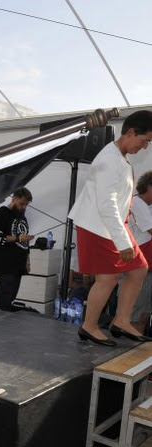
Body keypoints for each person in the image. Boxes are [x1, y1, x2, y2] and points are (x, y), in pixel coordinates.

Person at [69, 110, 152, 346]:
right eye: (144, 141)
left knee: (139, 269)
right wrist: (123, 242)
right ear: (131, 132)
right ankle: (89, 326)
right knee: (108, 278)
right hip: (98, 225)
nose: (145, 147)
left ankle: (122, 321)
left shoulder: (119, 157)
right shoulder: (109, 159)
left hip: (113, 224)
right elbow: (107, 205)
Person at [0, 187, 34, 310]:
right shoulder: (1, 214)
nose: (24, 207)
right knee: (3, 302)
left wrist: (27, 261)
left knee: (11, 300)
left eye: (26, 204)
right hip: (5, 266)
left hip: (18, 267)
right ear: (13, 199)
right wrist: (18, 238)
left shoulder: (22, 217)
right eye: (21, 203)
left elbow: (25, 243)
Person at [125, 171, 152, 335]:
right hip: (137, 265)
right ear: (149, 187)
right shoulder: (138, 203)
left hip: (146, 266)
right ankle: (126, 352)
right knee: (132, 315)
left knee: (142, 314)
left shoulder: (146, 206)